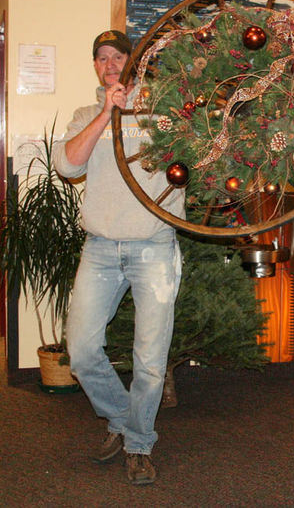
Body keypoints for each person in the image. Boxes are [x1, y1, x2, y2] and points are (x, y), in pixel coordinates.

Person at [52, 30, 185, 485]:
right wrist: (108, 111)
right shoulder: (86, 114)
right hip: (102, 249)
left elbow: (194, 158)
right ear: (96, 67)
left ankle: (138, 443)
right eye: (102, 58)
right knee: (82, 351)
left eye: (118, 57)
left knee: (149, 358)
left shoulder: (164, 113)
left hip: (155, 248)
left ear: (132, 63)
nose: (110, 64)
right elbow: (68, 165)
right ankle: (124, 419)